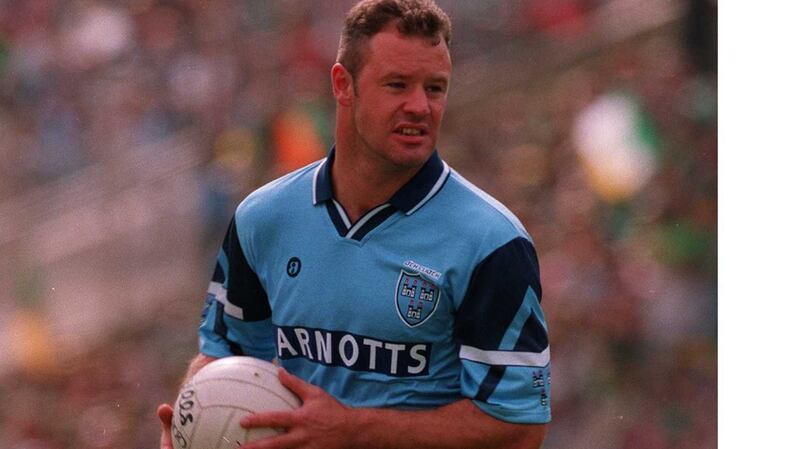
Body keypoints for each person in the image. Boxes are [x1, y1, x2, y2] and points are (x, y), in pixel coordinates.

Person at [158, 1, 551, 448]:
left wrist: (353, 430)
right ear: (343, 85)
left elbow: (519, 427)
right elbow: (224, 354)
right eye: (398, 85)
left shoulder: (491, 243)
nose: (420, 106)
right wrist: (196, 418)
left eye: (436, 88)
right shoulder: (261, 219)